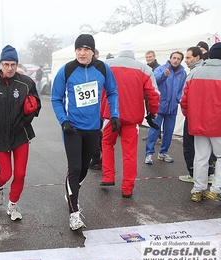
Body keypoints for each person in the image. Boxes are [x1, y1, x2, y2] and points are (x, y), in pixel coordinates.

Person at [51, 34, 120, 230]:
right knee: (74, 168)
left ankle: (72, 191)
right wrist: (63, 121)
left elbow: (113, 91)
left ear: (93, 51)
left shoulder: (103, 68)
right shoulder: (67, 70)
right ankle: (74, 213)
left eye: (86, 49)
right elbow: (55, 98)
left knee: (83, 168)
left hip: (93, 128)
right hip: (72, 127)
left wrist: (114, 114)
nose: (82, 53)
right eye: (79, 49)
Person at [0, 45, 41, 221]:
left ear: (17, 64)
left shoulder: (26, 82)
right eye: (6, 64)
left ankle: (13, 204)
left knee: (20, 173)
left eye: (13, 64)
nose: (10, 68)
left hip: (21, 134)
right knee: (6, 174)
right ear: (0, 64)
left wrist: (24, 122)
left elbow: (36, 106)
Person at [101, 41, 159, 198]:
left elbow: (98, 88)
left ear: (119, 51)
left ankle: (108, 176)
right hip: (132, 117)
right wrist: (153, 112)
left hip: (111, 115)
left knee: (107, 144)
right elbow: (153, 93)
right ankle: (127, 188)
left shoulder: (107, 65)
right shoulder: (144, 68)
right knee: (130, 152)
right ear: (134, 52)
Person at [180, 42, 221, 203]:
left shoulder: (195, 73)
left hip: (198, 123)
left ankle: (198, 189)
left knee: (201, 157)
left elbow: (184, 100)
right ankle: (217, 188)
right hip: (218, 123)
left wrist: (190, 116)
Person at [144, 51, 186, 165]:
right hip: (160, 105)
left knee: (169, 131)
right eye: (174, 58)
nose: (176, 60)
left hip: (172, 107)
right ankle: (149, 153)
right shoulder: (161, 69)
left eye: (178, 58)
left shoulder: (183, 73)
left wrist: (178, 99)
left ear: (181, 60)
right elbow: (154, 82)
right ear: (170, 58)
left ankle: (163, 152)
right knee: (154, 130)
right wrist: (164, 75)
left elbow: (182, 88)